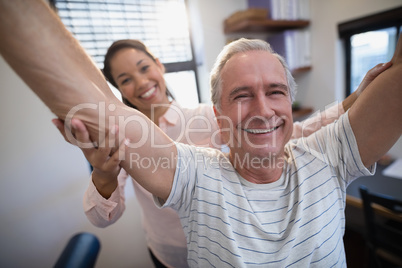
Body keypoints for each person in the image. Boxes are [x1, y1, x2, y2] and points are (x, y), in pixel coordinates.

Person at [1, 1, 401, 267]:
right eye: (241, 95)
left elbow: (295, 130)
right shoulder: (193, 169)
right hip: (169, 253)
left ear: (158, 65)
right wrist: (103, 174)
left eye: (275, 91)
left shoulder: (321, 155)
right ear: (220, 115)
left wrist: (352, 103)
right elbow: (105, 187)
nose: (262, 110)